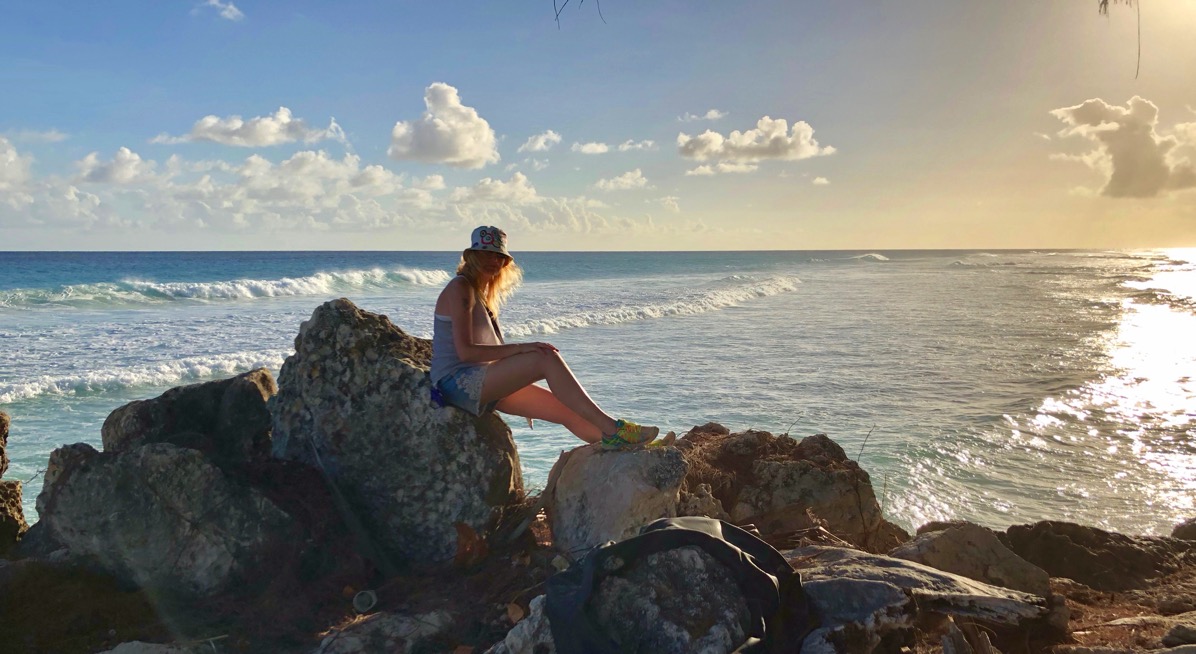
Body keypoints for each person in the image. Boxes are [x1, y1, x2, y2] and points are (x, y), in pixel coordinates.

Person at [430, 226, 659, 448]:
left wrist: (514, 382)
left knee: (566, 408)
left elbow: (487, 351)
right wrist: (520, 348)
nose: (493, 260)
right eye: (486, 253)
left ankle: (627, 446)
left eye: (499, 256)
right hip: (457, 384)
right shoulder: (461, 288)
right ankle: (614, 429)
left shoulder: (480, 292)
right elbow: (466, 352)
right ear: (472, 256)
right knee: (545, 355)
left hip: (482, 379)